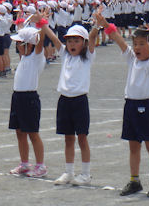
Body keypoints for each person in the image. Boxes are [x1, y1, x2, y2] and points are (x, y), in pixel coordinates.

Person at [94, 12, 149, 197]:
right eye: (135, 44)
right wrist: (104, 24)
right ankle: (134, 180)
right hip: (130, 106)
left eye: (142, 44)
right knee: (133, 146)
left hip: (146, 107)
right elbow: (118, 39)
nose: (137, 47)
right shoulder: (132, 59)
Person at [32, 10, 98, 186]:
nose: (72, 44)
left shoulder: (88, 57)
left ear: (83, 43)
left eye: (76, 41)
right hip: (64, 101)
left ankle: (85, 174)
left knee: (82, 138)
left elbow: (92, 39)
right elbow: (54, 38)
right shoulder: (65, 55)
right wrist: (42, 23)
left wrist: (97, 26)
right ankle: (69, 172)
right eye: (69, 40)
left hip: (80, 101)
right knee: (68, 138)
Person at [8, 27, 48, 178]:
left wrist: (42, 25)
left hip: (29, 98)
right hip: (17, 97)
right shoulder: (24, 57)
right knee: (19, 132)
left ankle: (40, 165)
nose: (17, 47)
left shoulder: (36, 57)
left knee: (33, 133)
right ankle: (24, 163)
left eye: (20, 44)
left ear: (29, 45)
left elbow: (40, 41)